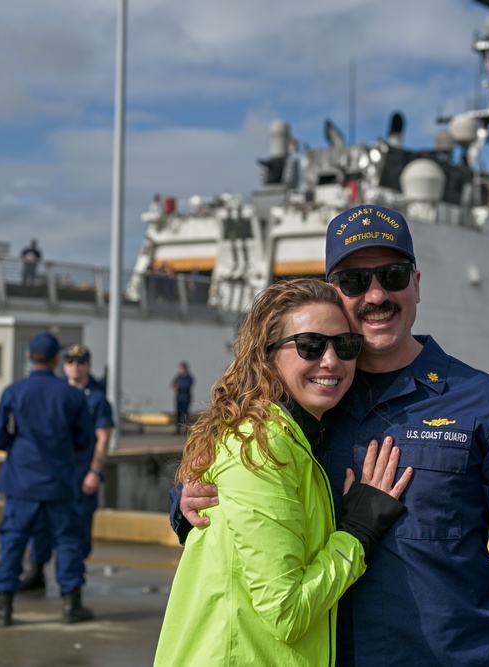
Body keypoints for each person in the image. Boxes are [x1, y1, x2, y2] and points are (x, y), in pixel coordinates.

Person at [176, 205, 489, 666]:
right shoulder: (296, 410)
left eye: (391, 275)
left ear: (415, 284)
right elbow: (240, 486)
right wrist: (189, 502)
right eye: (354, 282)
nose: (375, 295)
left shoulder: (486, 408)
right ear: (335, 293)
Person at [153, 279, 412, 666]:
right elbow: (286, 612)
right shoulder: (262, 447)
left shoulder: (291, 434)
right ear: (268, 355)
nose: (331, 360)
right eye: (311, 344)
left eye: (345, 346)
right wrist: (358, 532)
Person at [0, 333, 96, 627]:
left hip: (21, 481)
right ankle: (71, 604)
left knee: (13, 541)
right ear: (55, 360)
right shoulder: (71, 395)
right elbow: (85, 439)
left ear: (29, 358)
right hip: (59, 481)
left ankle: (3, 608)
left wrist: (18, 446)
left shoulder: (14, 391)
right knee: (67, 541)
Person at [17, 343, 114, 592]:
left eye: (80, 362)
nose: (75, 366)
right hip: (53, 475)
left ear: (88, 365)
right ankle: (36, 570)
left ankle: (72, 584)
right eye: (70, 362)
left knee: (77, 531)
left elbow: (102, 439)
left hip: (81, 475)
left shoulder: (97, 399)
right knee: (40, 527)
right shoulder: (55, 392)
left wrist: (94, 471)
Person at [170, 361, 194, 434]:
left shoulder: (189, 377)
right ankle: (178, 429)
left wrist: (179, 386)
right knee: (178, 414)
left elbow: (186, 386)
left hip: (185, 398)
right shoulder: (178, 377)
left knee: (185, 414)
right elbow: (173, 384)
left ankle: (186, 429)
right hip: (179, 398)